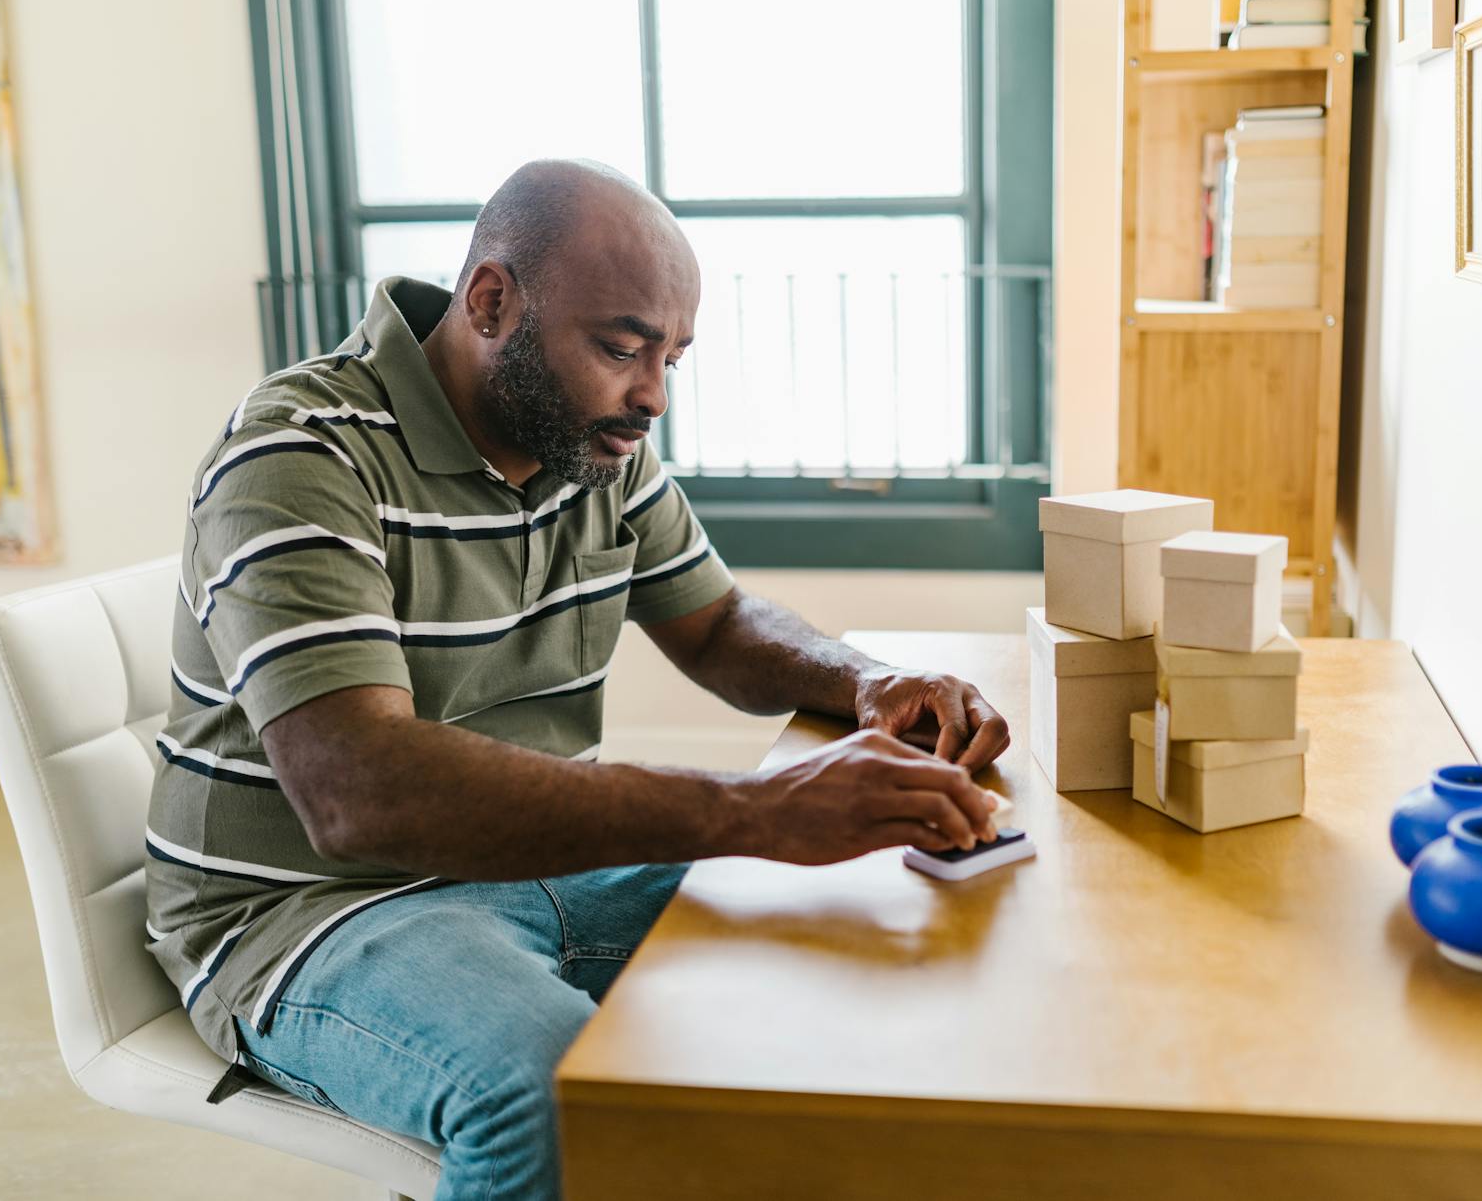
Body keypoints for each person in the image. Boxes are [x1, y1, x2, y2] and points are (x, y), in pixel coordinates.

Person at [144, 159, 1011, 1199]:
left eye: (671, 358)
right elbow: (356, 793)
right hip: (307, 916)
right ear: (492, 300)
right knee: (548, 1087)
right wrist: (751, 807)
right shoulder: (301, 453)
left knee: (859, 943)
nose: (650, 395)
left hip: (526, 863)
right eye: (620, 347)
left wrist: (870, 679)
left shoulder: (593, 446)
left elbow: (720, 625)